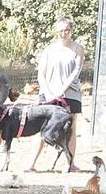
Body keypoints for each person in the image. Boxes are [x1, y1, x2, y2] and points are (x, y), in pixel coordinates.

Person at [36, 18, 86, 172]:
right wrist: (48, 92)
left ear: (71, 30)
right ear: (55, 32)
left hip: (70, 94)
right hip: (48, 93)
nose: (64, 33)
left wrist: (61, 91)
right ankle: (31, 164)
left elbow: (75, 73)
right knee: (41, 127)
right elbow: (41, 74)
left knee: (70, 128)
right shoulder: (49, 50)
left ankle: (70, 163)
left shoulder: (78, 49)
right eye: (60, 31)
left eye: (67, 30)